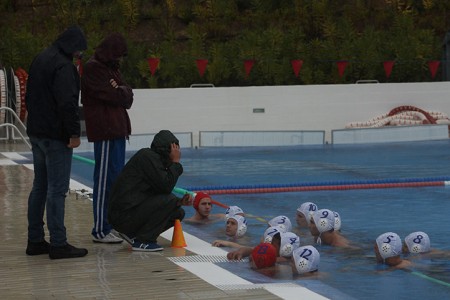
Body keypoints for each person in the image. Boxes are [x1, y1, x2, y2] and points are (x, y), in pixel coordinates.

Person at [25, 25, 88, 259]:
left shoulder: (41, 58)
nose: (80, 56)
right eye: (80, 52)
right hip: (55, 137)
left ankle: (35, 240)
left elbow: (29, 96)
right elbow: (68, 104)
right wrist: (73, 133)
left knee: (40, 187)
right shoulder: (64, 67)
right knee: (57, 190)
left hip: (36, 133)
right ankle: (59, 243)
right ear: (73, 48)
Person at [81, 33, 133, 244]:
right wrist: (121, 91)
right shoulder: (94, 68)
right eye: (119, 55)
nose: (121, 60)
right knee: (104, 181)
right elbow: (117, 95)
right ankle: (100, 229)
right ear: (112, 52)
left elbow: (127, 96)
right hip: (105, 132)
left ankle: (110, 225)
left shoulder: (111, 69)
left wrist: (122, 91)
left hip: (117, 131)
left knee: (115, 181)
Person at [107, 130, 193, 251]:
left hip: (128, 213)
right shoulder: (147, 157)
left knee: (178, 213)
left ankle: (135, 236)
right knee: (170, 199)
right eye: (173, 151)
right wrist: (176, 163)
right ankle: (144, 241)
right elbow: (166, 187)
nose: (176, 154)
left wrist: (180, 202)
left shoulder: (153, 159)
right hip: (122, 216)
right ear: (167, 151)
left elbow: (155, 192)